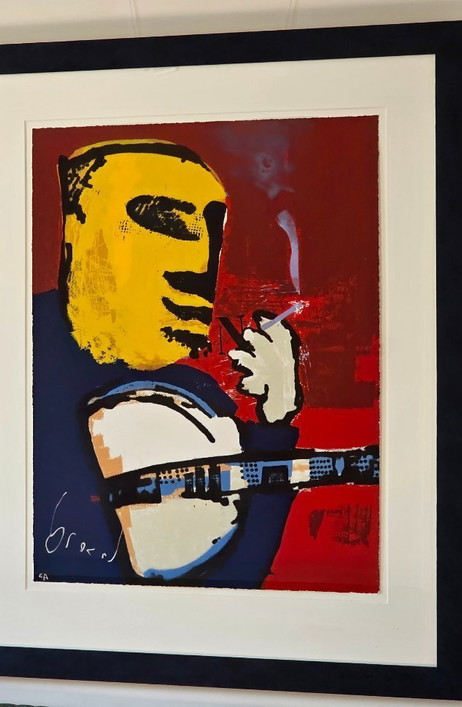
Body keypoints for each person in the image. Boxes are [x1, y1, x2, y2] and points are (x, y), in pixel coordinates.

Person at [33, 139, 301, 587]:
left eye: (214, 230)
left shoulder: (196, 402)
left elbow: (231, 584)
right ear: (80, 227)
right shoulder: (6, 358)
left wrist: (276, 417)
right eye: (165, 222)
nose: (201, 265)